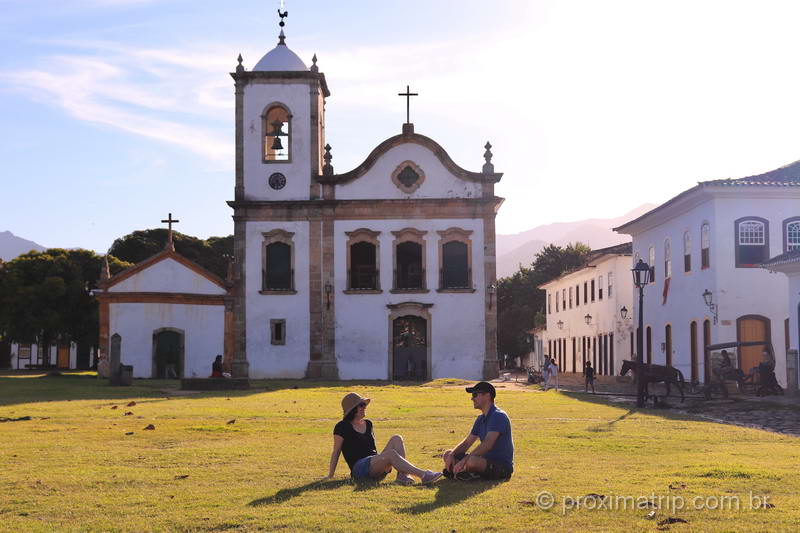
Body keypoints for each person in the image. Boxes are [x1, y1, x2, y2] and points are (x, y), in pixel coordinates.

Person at [326, 392, 441, 485]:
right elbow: (336, 451)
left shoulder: (368, 424)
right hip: (359, 468)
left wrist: (380, 459)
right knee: (391, 454)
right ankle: (424, 475)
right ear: (352, 410)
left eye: (364, 404)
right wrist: (330, 475)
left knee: (397, 438)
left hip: (375, 462)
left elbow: (372, 450)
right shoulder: (342, 426)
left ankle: (403, 476)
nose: (364, 407)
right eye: (361, 405)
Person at [442, 381, 514, 481]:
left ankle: (465, 473)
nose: (472, 398)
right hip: (484, 461)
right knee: (448, 453)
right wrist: (452, 455)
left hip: (501, 467)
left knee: (471, 461)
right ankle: (463, 473)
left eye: (475, 395)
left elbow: (487, 444)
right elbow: (467, 443)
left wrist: (465, 460)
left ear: (487, 396)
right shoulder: (481, 419)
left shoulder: (498, 416)